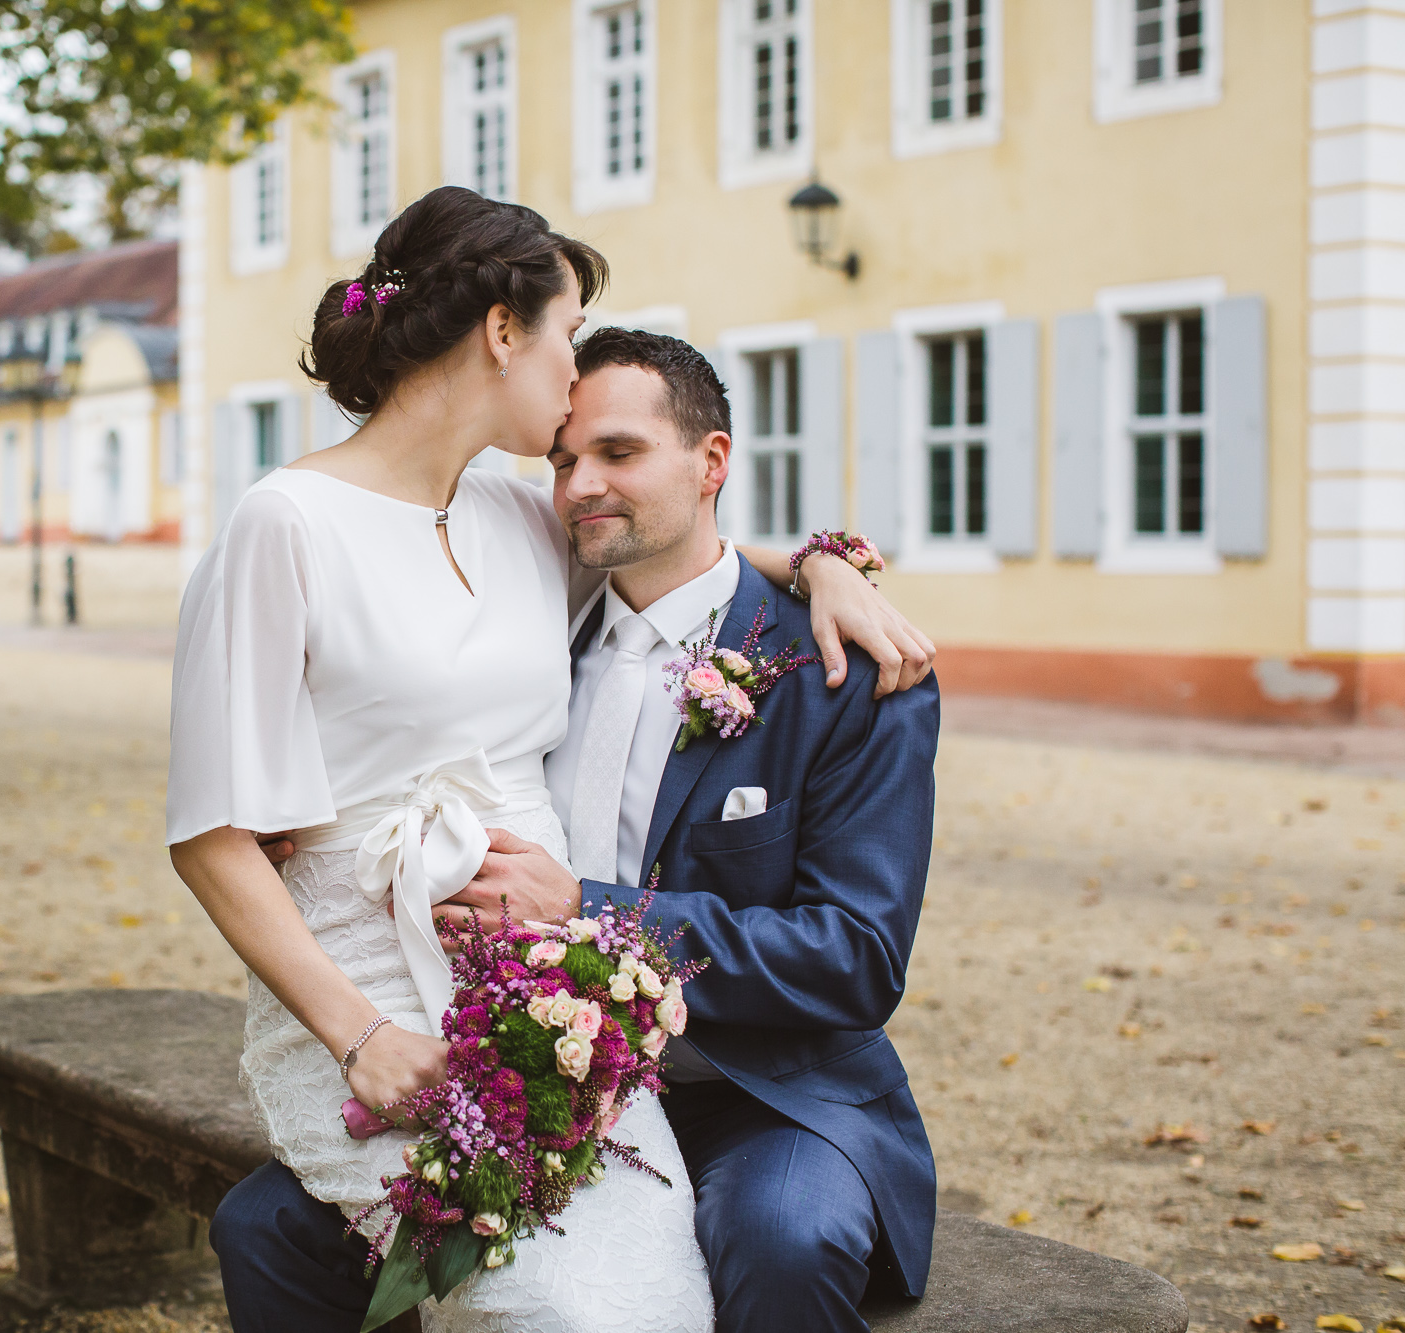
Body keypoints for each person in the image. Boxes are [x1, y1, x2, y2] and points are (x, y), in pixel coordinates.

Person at [167, 187, 934, 1332]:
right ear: (499, 330)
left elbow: (680, 546)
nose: (571, 372)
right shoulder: (285, 521)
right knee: (544, 1307)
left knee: (640, 1297)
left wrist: (824, 564)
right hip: (377, 991)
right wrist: (361, 1035)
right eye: (568, 331)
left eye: (609, 443)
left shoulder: (508, 516)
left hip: (559, 1003)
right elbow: (210, 831)